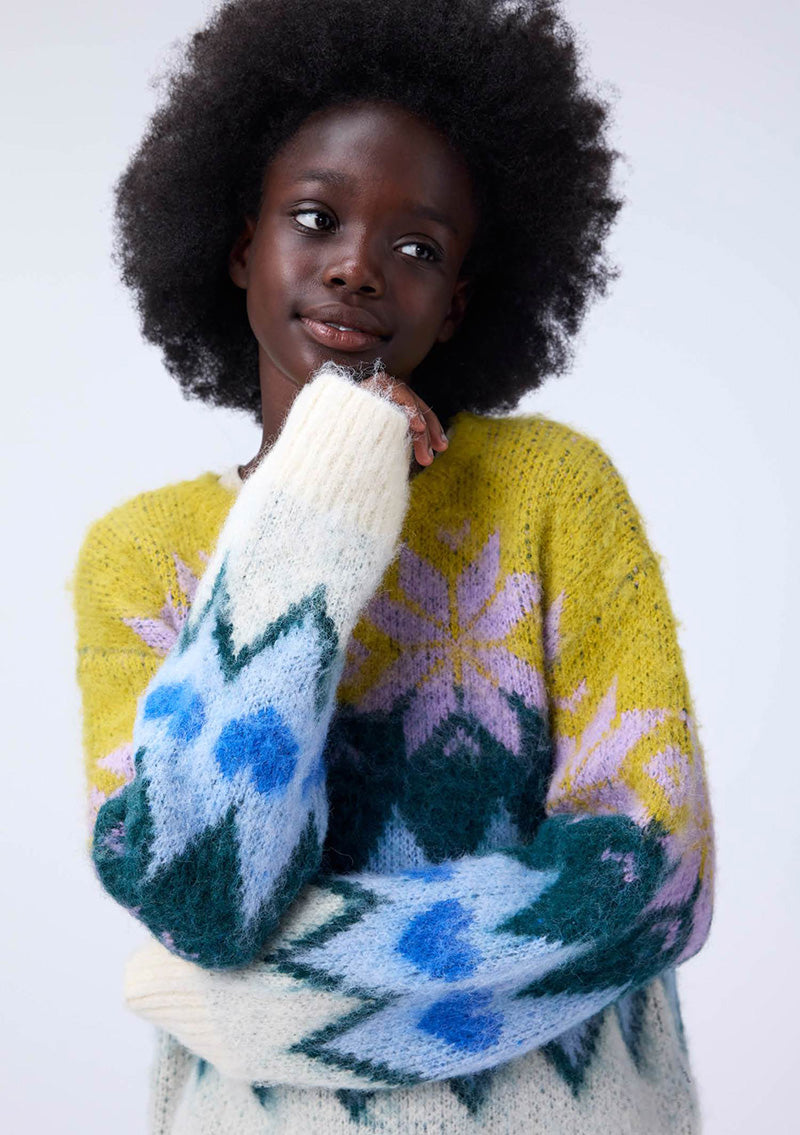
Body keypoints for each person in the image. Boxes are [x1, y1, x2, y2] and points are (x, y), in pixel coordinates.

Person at [70, 0, 715, 1131]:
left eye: (417, 248)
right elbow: (203, 894)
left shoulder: (548, 492)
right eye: (315, 217)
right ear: (240, 246)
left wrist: (264, 1010)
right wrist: (324, 490)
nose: (358, 267)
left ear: (457, 302)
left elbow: (649, 878)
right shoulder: (143, 554)